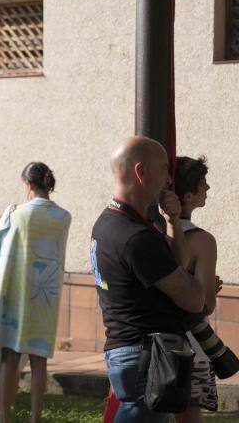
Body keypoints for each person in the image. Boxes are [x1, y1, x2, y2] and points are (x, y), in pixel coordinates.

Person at [90, 137, 205, 423]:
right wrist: (197, 284)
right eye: (164, 170)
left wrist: (173, 221)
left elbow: (176, 264)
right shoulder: (135, 237)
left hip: (132, 353)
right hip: (143, 357)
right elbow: (194, 299)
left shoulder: (110, 222)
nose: (169, 180)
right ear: (141, 172)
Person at [0, 162, 71, 423]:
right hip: (46, 296)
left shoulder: (16, 214)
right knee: (39, 359)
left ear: (28, 184)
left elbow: (1, 243)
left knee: (10, 356)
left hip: (16, 294)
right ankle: (35, 417)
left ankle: (5, 416)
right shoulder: (63, 216)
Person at [174, 156, 218, 421]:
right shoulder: (202, 241)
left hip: (145, 340)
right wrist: (210, 288)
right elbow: (205, 305)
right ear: (188, 196)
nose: (208, 189)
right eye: (203, 184)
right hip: (188, 344)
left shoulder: (148, 231)